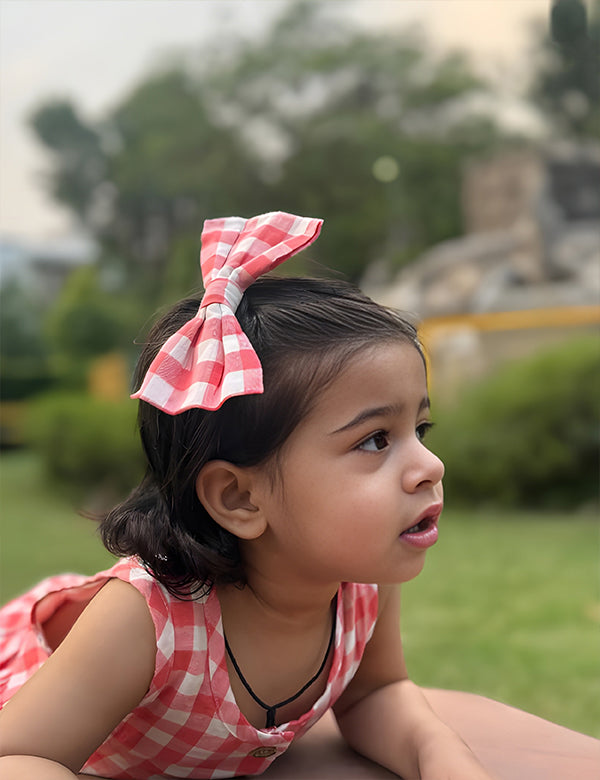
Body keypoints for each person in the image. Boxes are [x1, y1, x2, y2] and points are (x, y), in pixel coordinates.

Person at [0, 212, 597, 780]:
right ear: (239, 498)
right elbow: (18, 754)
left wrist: (438, 753)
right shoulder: (144, 623)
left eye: (421, 430)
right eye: (374, 441)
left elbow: (374, 694)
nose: (429, 465)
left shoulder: (359, 583)